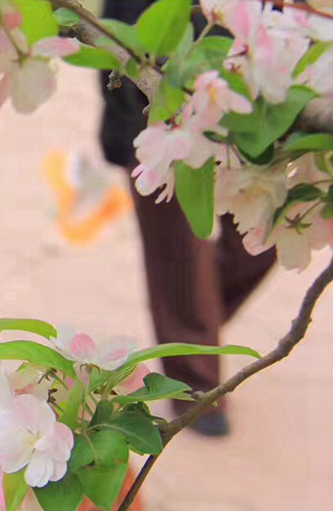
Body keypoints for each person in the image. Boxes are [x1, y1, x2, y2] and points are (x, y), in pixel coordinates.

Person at [99, 0, 277, 437]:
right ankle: (193, 383)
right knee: (177, 248)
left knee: (265, 236)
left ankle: (192, 322)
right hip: (156, 98)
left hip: (252, 90)